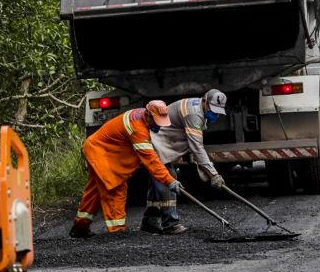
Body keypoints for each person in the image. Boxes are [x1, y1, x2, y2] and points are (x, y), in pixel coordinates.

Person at [70, 100, 183, 238]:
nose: (158, 125)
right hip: (100, 152)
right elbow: (151, 160)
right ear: (148, 115)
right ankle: (117, 231)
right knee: (115, 187)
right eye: (156, 121)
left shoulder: (141, 116)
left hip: (100, 149)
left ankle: (80, 227)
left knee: (94, 190)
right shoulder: (138, 128)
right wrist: (169, 181)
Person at [142, 89, 228, 235]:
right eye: (213, 110)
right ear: (205, 102)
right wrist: (214, 174)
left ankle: (150, 221)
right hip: (156, 142)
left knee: (157, 183)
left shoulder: (198, 107)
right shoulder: (194, 113)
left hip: (163, 142)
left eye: (218, 112)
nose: (216, 115)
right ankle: (170, 223)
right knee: (168, 178)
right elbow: (197, 147)